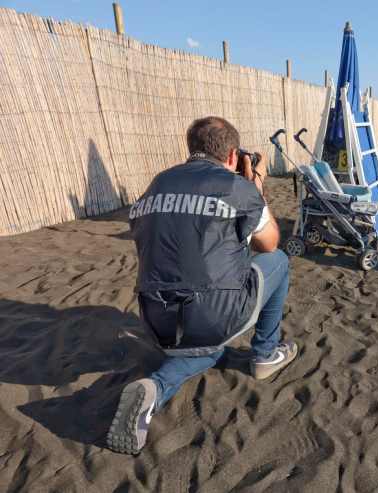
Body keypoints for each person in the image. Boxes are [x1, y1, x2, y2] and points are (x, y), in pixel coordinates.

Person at [107, 116, 298, 455]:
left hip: (156, 317)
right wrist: (254, 186)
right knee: (279, 261)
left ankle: (155, 387)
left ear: (191, 149)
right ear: (232, 155)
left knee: (207, 348)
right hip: (213, 313)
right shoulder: (236, 186)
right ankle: (266, 354)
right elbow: (268, 242)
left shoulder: (157, 183)